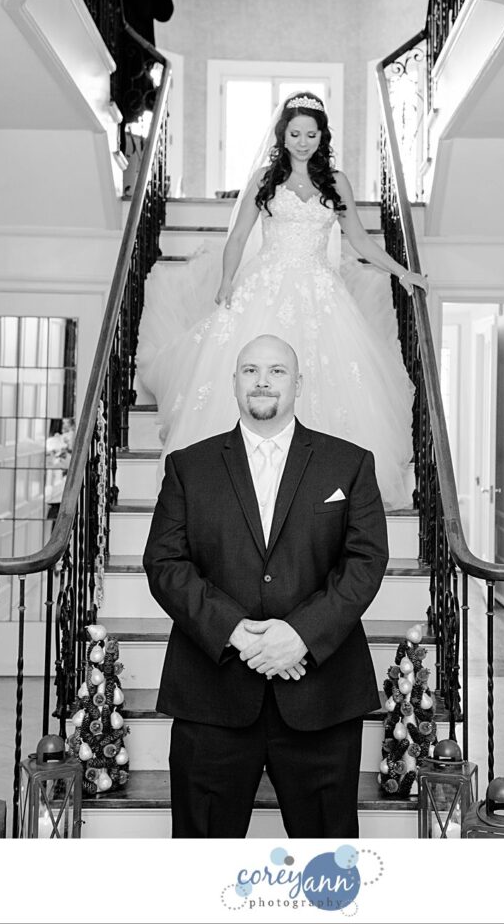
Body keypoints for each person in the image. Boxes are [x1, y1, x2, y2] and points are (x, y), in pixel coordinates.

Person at [143, 333, 389, 838]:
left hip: (320, 696)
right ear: (234, 383)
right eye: (250, 370)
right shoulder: (189, 467)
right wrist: (236, 632)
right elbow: (165, 564)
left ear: (298, 383)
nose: (262, 381)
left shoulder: (350, 463)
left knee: (328, 864)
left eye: (276, 371)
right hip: (212, 695)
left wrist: (300, 635)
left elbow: (365, 561)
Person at [136, 91, 427, 509]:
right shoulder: (264, 179)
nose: (303, 141)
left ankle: (314, 486)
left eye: (311, 133)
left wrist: (403, 272)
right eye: (296, 133)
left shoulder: (336, 182)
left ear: (321, 136)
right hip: (267, 285)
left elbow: (360, 240)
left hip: (321, 291)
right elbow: (238, 237)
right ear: (283, 134)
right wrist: (227, 281)